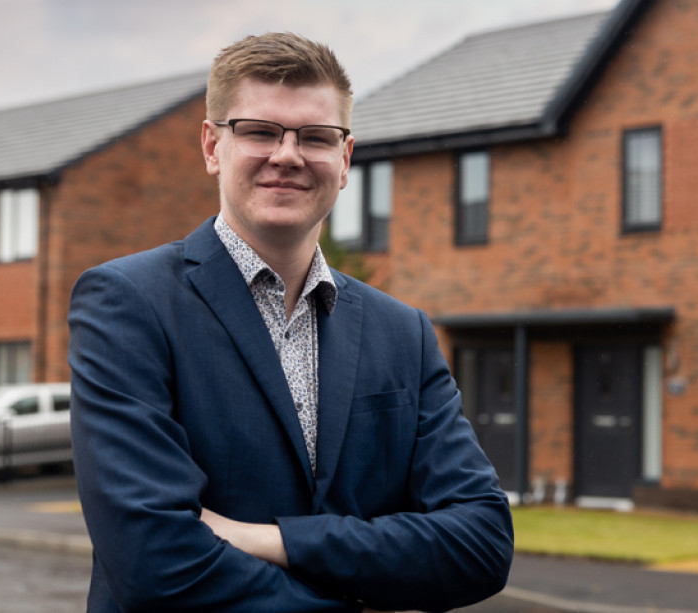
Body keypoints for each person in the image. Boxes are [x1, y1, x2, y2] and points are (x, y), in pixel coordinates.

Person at [68, 32, 513, 613]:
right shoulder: (128, 302)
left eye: (315, 137)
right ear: (211, 146)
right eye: (258, 131)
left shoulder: (403, 332)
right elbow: (154, 559)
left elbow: (481, 544)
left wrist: (274, 540)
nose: (287, 155)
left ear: (346, 159)